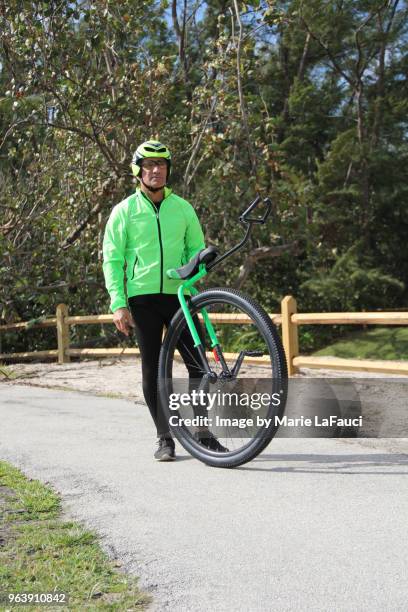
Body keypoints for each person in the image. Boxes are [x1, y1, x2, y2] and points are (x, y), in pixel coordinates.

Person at [102, 140, 227, 461]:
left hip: (180, 298)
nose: (155, 171)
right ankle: (164, 438)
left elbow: (195, 250)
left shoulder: (183, 208)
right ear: (138, 170)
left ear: (168, 170)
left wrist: (198, 266)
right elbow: (112, 260)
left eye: (161, 165)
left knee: (199, 366)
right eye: (148, 166)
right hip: (142, 300)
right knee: (154, 371)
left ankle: (202, 433)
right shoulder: (124, 212)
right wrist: (118, 303)